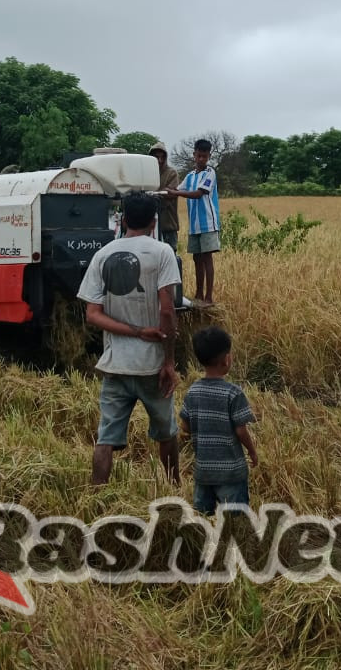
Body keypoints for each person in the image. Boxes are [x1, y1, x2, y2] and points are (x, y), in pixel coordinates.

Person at [78, 191, 182, 486]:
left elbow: (93, 315)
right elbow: (167, 311)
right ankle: (173, 489)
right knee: (167, 433)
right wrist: (169, 361)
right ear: (154, 222)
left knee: (105, 439)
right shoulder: (162, 252)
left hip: (115, 364)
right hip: (152, 366)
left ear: (123, 220)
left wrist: (134, 332)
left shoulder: (102, 255)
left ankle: (96, 496)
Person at [178, 326, 258, 514]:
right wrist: (252, 451)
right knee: (235, 519)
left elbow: (185, 427)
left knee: (202, 515)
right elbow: (241, 430)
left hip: (203, 471)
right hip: (231, 472)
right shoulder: (233, 393)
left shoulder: (193, 391)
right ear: (226, 359)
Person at [167, 138, 220, 306]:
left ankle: (208, 296)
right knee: (197, 259)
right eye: (199, 156)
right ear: (194, 155)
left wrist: (175, 194)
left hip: (208, 223)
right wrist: (165, 191)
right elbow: (177, 189)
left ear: (209, 156)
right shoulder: (190, 176)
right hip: (194, 225)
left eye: (205, 156)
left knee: (207, 258)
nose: (201, 159)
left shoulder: (210, 173)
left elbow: (198, 193)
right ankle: (198, 293)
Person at [148, 140, 180, 251]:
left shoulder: (172, 173)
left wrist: (152, 194)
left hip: (168, 224)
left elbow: (171, 194)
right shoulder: (146, 173)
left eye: (162, 157)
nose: (160, 160)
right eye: (156, 157)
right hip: (148, 224)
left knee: (170, 254)